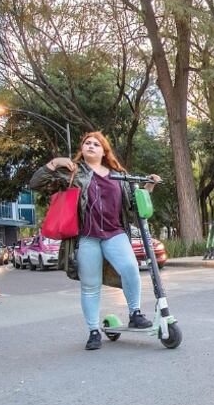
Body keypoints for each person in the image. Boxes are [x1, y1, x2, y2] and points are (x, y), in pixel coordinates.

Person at [29, 132, 161, 351]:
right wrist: (56, 162)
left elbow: (134, 206)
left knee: (130, 268)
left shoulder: (119, 175)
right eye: (87, 143)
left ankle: (135, 313)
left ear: (104, 151)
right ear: (82, 149)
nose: (91, 146)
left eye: (96, 144)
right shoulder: (73, 173)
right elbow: (36, 183)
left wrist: (149, 186)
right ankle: (93, 331)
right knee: (90, 286)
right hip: (87, 237)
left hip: (115, 233)